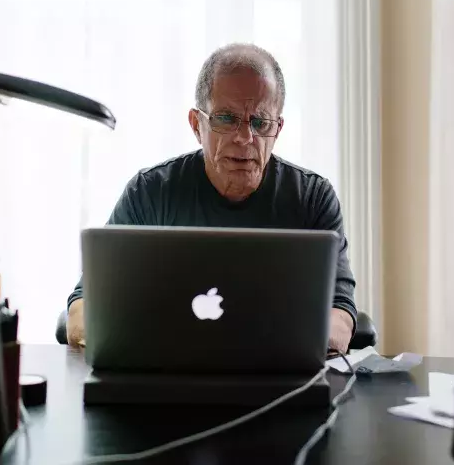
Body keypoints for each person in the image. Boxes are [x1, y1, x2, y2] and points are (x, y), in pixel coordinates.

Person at [66, 43, 357, 352]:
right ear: (196, 124)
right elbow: (80, 314)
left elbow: (341, 319)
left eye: (260, 122)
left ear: (278, 129)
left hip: (281, 382)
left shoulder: (312, 198)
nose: (245, 138)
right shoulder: (149, 193)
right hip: (169, 378)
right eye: (226, 119)